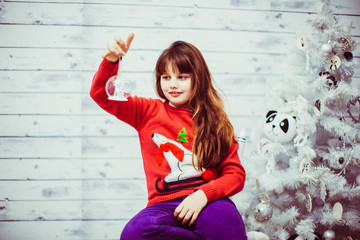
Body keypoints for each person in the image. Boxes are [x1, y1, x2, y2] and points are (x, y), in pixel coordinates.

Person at [90, 33, 247, 240]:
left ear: (198, 78)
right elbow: (101, 94)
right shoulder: (147, 111)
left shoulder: (217, 122)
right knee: (134, 233)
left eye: (181, 77)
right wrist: (111, 60)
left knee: (226, 224)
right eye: (166, 77)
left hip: (209, 200)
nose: (172, 84)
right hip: (163, 205)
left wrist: (203, 195)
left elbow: (235, 175)